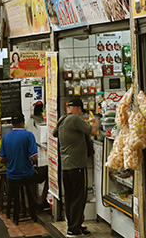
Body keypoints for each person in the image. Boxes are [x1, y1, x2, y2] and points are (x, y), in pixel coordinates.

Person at [53, 97, 97, 237]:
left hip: (65, 166)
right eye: (80, 110)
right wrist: (96, 120)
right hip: (77, 165)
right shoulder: (75, 119)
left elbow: (55, 133)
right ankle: (73, 229)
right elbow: (93, 131)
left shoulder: (62, 119)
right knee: (79, 197)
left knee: (71, 197)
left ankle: (75, 225)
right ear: (78, 109)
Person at [0, 113, 49, 222]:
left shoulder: (6, 136)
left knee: (26, 180)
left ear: (12, 123)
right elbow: (34, 157)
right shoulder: (28, 135)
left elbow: (2, 159)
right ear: (23, 122)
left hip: (11, 176)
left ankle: (24, 206)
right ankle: (40, 202)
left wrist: (13, 158)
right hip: (27, 175)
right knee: (49, 171)